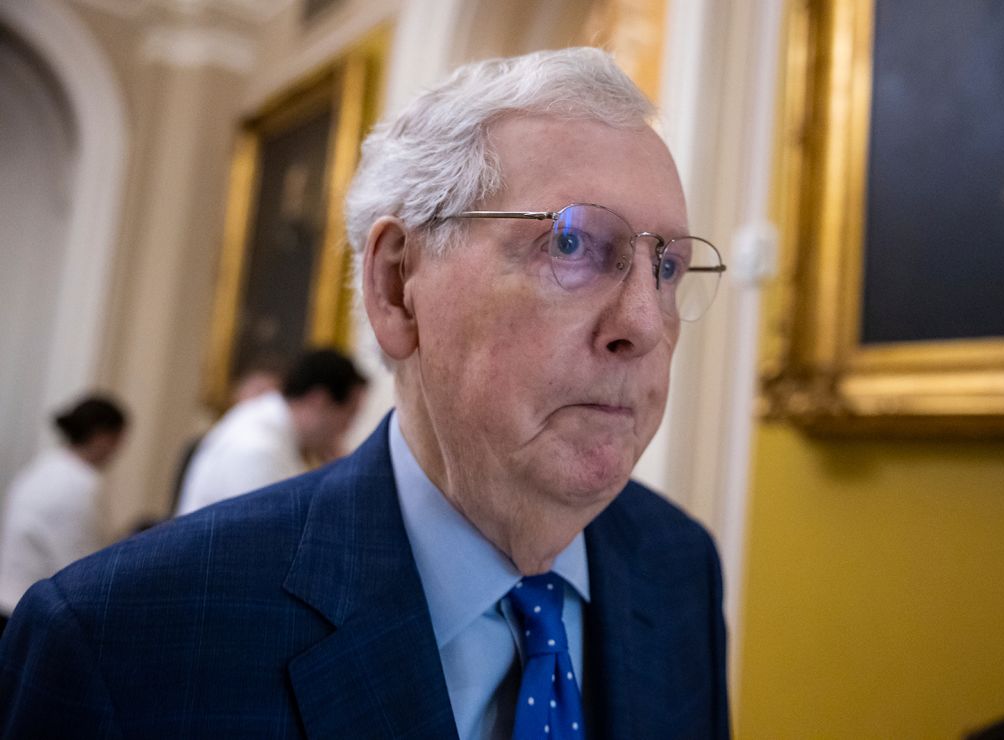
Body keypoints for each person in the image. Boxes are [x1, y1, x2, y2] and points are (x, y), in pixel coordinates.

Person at [0, 48, 730, 739]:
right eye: (572, 244)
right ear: (396, 288)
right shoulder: (122, 645)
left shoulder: (678, 567)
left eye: (666, 268)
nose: (642, 322)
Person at [174, 348, 366, 516]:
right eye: (349, 415)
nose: (347, 428)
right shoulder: (260, 449)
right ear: (318, 400)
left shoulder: (268, 424)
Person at [0, 395, 128, 632]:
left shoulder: (42, 466)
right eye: (117, 442)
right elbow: (83, 564)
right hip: (30, 610)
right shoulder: (81, 483)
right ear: (102, 436)